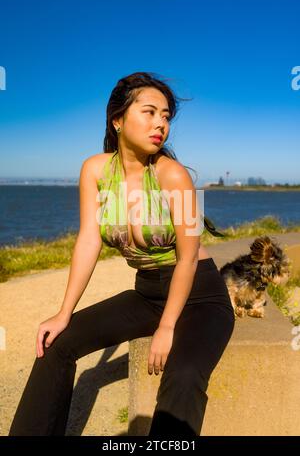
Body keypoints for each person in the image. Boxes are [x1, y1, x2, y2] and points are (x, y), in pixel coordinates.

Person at [8, 71, 235, 437]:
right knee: (56, 344)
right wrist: (64, 312)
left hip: (200, 296)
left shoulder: (172, 175)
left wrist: (166, 327)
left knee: (184, 374)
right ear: (118, 119)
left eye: (165, 116)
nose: (160, 123)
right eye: (149, 112)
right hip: (147, 293)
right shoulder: (95, 170)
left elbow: (189, 259)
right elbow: (88, 241)